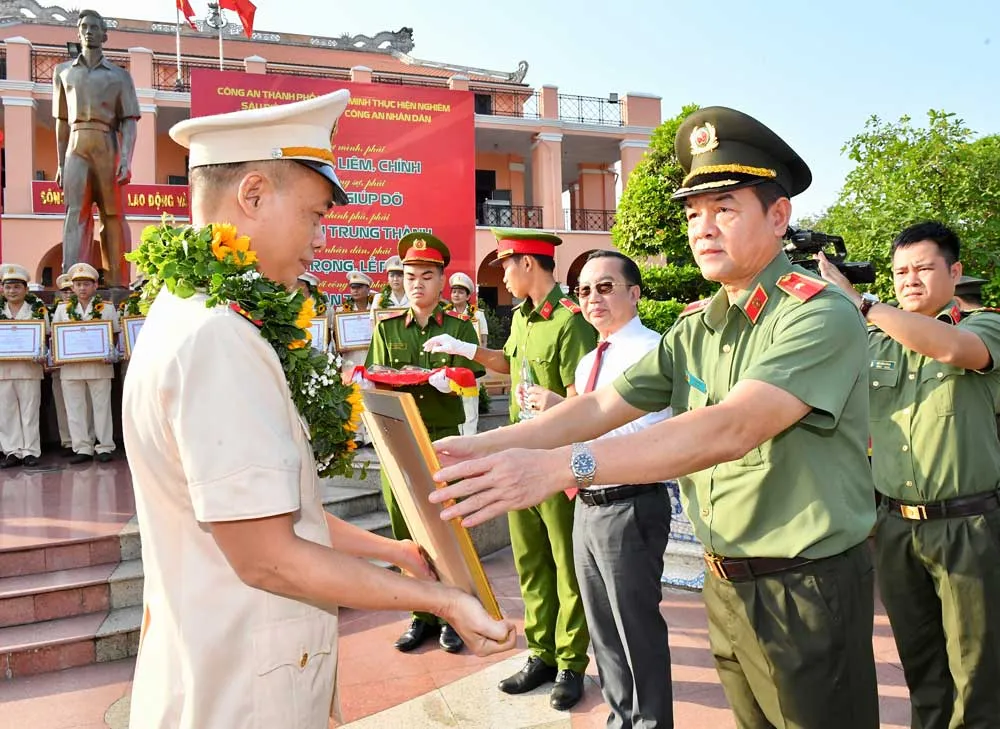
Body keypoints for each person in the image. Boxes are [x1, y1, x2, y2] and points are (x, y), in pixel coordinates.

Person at [427, 107, 880, 728]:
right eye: (694, 213)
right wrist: (478, 448)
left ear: (779, 217)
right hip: (727, 580)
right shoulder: (698, 324)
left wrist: (564, 466)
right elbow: (597, 407)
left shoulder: (816, 314)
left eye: (725, 207)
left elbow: (730, 427)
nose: (704, 227)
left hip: (805, 585)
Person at [123, 91, 514, 729]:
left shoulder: (189, 315)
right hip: (239, 695)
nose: (320, 238)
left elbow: (271, 515)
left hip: (231, 668)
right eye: (314, 214)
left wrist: (393, 552)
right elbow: (267, 555)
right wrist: (438, 599)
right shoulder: (219, 339)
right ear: (252, 195)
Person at [818, 221, 1000, 729]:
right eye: (900, 271)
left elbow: (952, 350)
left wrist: (862, 303)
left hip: (968, 525)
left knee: (978, 672)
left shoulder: (983, 326)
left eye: (923, 268)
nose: (910, 279)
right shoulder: (875, 342)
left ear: (954, 271)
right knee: (921, 666)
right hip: (896, 527)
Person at [425, 227, 596, 711]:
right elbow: (510, 361)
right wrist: (470, 352)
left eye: (506, 264)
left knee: (567, 566)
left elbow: (587, 405)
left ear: (527, 264)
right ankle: (541, 652)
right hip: (518, 460)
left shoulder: (570, 322)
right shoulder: (522, 317)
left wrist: (556, 402)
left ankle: (570, 662)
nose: (501, 273)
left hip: (556, 464)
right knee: (530, 563)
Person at [526, 249, 675, 728]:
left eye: (605, 287)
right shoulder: (589, 359)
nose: (593, 298)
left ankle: (650, 722)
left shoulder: (654, 351)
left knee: (636, 630)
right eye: (585, 290)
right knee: (603, 631)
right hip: (586, 504)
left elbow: (648, 437)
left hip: (630, 503)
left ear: (634, 293)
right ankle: (619, 719)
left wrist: (578, 420)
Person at [363, 233, 485, 654]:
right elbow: (375, 374)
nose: (417, 284)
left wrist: (452, 379)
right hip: (398, 438)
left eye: (426, 276)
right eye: (410, 276)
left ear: (441, 280)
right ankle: (422, 614)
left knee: (446, 527)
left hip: (440, 438)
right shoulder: (389, 327)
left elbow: (475, 379)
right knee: (404, 528)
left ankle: (456, 611)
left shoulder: (458, 327)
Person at [53, 9, 140, 286]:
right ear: (78, 33)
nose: (89, 32)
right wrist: (60, 163)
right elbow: (62, 122)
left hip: (107, 143)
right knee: (75, 213)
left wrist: (126, 158)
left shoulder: (120, 76)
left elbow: (129, 122)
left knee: (112, 213)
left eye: (94, 27)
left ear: (105, 35)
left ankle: (118, 282)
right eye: (84, 27)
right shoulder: (63, 72)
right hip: (76, 145)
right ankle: (72, 281)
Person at [52, 262, 120, 464]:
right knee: (74, 409)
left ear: (95, 286)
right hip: (71, 368)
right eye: (78, 284)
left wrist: (111, 352)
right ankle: (82, 447)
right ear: (72, 287)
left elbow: (115, 335)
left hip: (99, 366)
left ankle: (105, 446)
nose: (82, 288)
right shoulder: (63, 309)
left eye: (86, 284)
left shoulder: (106, 308)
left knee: (102, 408)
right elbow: (55, 337)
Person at [0, 264, 49, 468]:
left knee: (30, 411)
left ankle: (30, 450)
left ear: (26, 289)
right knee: (6, 412)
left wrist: (42, 353)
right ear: (2, 289)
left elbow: (46, 337)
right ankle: (12, 451)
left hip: (30, 369)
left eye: (17, 287)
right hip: (3, 371)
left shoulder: (37, 309)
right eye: (8, 287)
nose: (12, 291)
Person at [446, 271, 489, 435]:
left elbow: (483, 341)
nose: (456, 295)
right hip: (451, 365)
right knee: (453, 401)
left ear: (468, 295)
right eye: (454, 291)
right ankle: (456, 435)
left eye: (460, 292)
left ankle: (470, 437)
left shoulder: (477, 315)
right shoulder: (445, 314)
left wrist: (482, 362)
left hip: (471, 364)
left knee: (470, 402)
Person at [49, 273, 77, 456]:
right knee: (62, 404)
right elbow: (50, 337)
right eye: (64, 291)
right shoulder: (56, 311)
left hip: (81, 365)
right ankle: (67, 441)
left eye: (70, 290)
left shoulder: (91, 308)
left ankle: (82, 441)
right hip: (60, 366)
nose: (68, 294)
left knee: (81, 406)